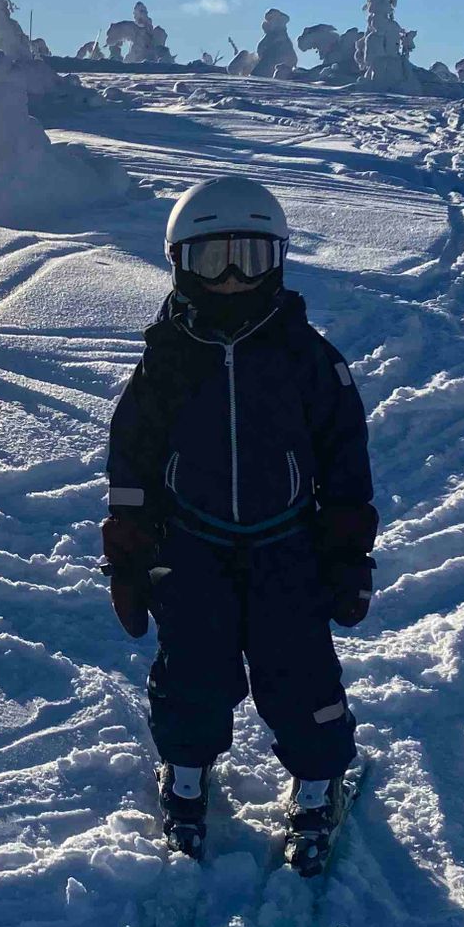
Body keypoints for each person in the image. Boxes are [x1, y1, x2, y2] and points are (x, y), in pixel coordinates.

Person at [101, 176, 376, 874]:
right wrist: (129, 545)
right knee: (191, 669)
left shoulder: (307, 357)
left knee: (300, 672)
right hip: (191, 544)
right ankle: (186, 778)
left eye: (247, 260)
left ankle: (319, 788)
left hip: (288, 544)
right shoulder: (166, 361)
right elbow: (131, 453)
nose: (228, 279)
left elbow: (344, 455)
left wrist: (347, 550)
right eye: (210, 260)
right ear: (179, 264)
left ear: (276, 262)